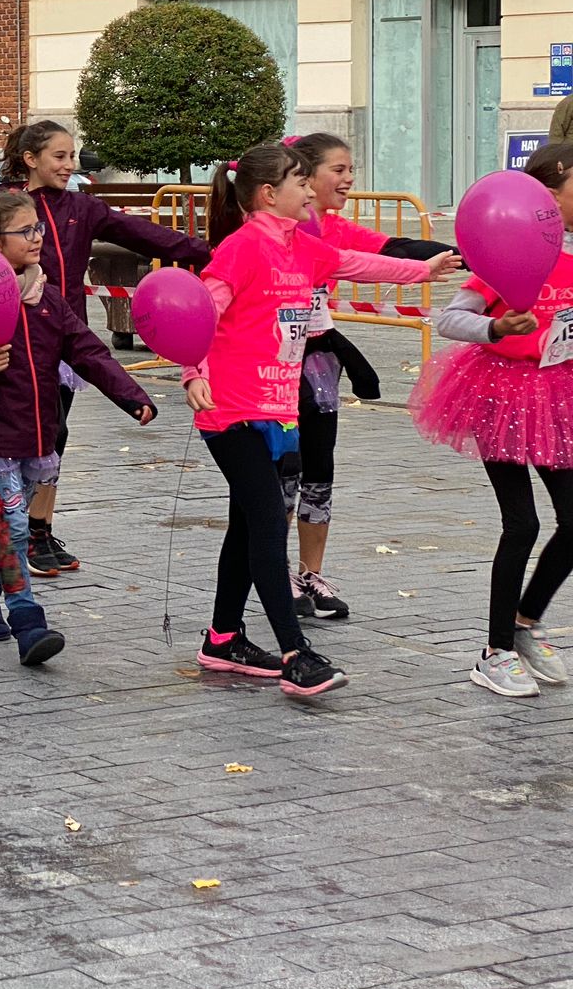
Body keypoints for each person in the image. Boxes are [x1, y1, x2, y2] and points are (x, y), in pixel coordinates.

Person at [186, 142, 454, 699]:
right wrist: (194, 372)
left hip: (278, 410)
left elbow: (361, 264)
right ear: (269, 194)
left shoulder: (302, 248)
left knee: (247, 524)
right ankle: (294, 654)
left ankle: (222, 638)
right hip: (230, 411)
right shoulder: (241, 249)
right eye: (300, 183)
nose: (310, 192)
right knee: (265, 524)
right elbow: (200, 313)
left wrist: (423, 269)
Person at [0, 120, 212, 574]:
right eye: (59, 156)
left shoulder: (83, 207)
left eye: (71, 156)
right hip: (20, 337)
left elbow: (143, 234)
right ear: (31, 159)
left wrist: (205, 251)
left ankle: (39, 529)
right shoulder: (12, 208)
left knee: (56, 436)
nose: (68, 164)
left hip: (66, 335)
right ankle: (17, 532)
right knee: (37, 435)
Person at [0, 189, 155, 663]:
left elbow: (88, 350)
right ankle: (28, 620)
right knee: (12, 526)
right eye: (24, 231)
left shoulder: (47, 299)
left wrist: (131, 397)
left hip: (38, 434)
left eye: (38, 230)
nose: (36, 238)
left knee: (9, 526)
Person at [412, 141, 573, 698]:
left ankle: (527, 624)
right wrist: (496, 330)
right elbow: (451, 316)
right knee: (522, 523)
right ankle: (494, 650)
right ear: (549, 195)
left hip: (558, 398)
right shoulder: (515, 247)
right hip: (500, 395)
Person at [290, 132, 453, 619]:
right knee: (279, 474)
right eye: (338, 170)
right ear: (304, 176)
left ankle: (308, 574)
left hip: (318, 362)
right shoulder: (268, 234)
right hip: (269, 368)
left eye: (350, 168)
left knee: (319, 470)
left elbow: (393, 247)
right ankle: (269, 573)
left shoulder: (334, 228)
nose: (349, 179)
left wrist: (466, 255)